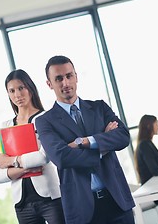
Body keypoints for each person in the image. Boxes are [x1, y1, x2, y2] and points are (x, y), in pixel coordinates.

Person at [35, 55, 135, 224]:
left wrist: (84, 142)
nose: (65, 83)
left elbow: (123, 137)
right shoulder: (45, 121)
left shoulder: (99, 107)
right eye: (58, 79)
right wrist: (103, 145)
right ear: (49, 84)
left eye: (69, 76)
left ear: (76, 76)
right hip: (83, 211)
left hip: (116, 201)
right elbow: (61, 157)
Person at [0, 69, 65, 224]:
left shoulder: (45, 118)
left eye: (21, 88)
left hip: (50, 199)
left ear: (30, 89)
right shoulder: (6, 127)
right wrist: (26, 168)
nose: (17, 95)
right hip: (22, 204)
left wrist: (12, 161)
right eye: (11, 91)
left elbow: (43, 157)